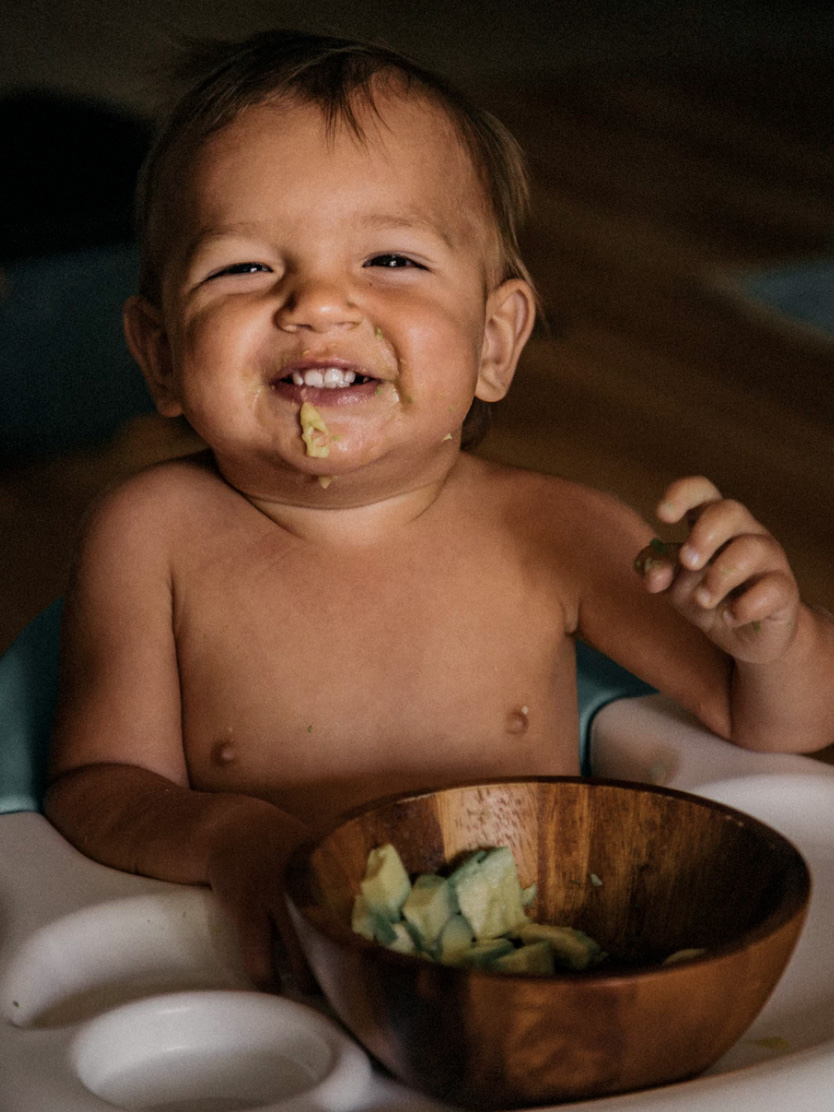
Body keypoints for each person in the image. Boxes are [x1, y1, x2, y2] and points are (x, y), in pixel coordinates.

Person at [43, 30, 834, 990]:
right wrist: (232, 838)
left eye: (390, 259)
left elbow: (778, 726)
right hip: (274, 974)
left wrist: (770, 638)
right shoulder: (151, 533)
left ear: (496, 341)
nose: (321, 304)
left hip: (534, 978)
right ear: (161, 354)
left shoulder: (556, 530)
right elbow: (97, 789)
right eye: (245, 268)